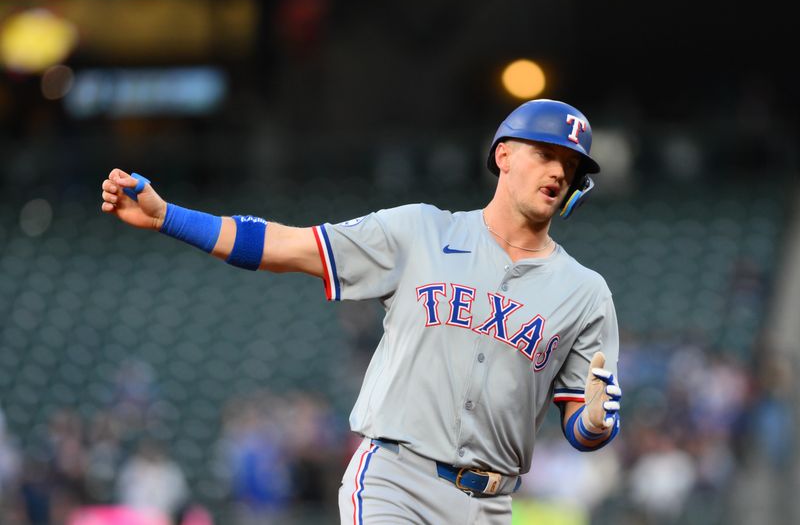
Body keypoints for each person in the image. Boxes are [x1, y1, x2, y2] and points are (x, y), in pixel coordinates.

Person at [100, 99, 622, 525]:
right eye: (545, 152)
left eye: (571, 164)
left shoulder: (585, 292)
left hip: (492, 505)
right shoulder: (421, 232)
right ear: (503, 154)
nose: (558, 170)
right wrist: (169, 217)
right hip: (398, 481)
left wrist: (595, 422)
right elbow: (285, 245)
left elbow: (581, 422)